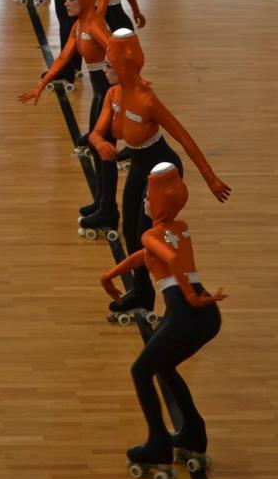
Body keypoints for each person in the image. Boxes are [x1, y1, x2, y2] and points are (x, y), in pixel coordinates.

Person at [90, 28, 231, 316]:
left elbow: (184, 138)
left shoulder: (147, 100)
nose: (104, 70)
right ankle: (142, 292)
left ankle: (180, 300)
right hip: (139, 169)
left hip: (162, 170)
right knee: (130, 231)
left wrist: (211, 178)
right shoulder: (113, 95)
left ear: (124, 67)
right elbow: (96, 132)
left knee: (153, 237)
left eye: (109, 65)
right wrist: (99, 142)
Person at [100, 162, 225, 476]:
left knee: (141, 371)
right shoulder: (180, 227)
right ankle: (194, 432)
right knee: (164, 367)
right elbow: (150, 256)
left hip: (186, 313)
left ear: (156, 201)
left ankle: (158, 444)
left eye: (148, 194)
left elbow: (165, 257)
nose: (144, 199)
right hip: (207, 316)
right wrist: (110, 274)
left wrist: (190, 296)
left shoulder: (150, 234)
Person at [19, 0, 119, 233]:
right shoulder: (80, 26)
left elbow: (118, 52)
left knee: (105, 151)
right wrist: (41, 85)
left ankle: (109, 209)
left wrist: (129, 87)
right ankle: (101, 200)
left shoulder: (95, 25)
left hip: (108, 95)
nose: (65, 4)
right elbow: (63, 59)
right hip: (99, 94)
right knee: (97, 148)